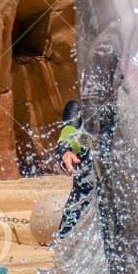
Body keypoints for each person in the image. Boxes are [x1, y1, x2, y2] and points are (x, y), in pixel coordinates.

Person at [53, 98, 93, 240]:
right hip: (85, 194)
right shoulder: (78, 108)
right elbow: (69, 133)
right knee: (66, 242)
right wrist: (66, 151)